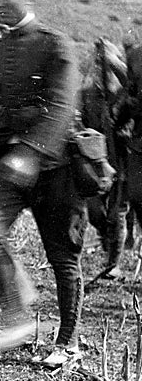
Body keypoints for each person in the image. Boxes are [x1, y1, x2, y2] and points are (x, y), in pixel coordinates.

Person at [0, 0, 84, 368]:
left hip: (54, 166)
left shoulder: (56, 45)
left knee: (62, 257)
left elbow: (62, 109)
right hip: (8, 164)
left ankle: (68, 341)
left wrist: (30, 152)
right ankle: (17, 312)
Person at [80, 38, 131, 281]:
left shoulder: (124, 93)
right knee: (95, 214)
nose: (101, 69)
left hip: (121, 162)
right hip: (96, 162)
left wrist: (113, 61)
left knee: (116, 215)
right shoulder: (87, 94)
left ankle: (113, 263)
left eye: (106, 64)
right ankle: (107, 241)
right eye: (98, 62)